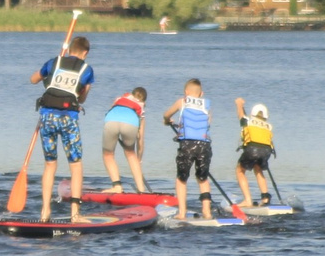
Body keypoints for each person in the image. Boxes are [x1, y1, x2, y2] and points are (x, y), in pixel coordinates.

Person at [27, 34, 94, 216]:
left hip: (47, 117)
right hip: (68, 119)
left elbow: (33, 80)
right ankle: (75, 213)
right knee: (76, 165)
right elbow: (82, 98)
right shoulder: (87, 69)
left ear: (70, 49)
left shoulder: (53, 62)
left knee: (50, 164)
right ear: (85, 53)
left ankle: (45, 211)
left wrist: (50, 78)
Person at [162, 79, 219, 221]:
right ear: (201, 94)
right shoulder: (207, 105)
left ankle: (182, 213)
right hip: (204, 145)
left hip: (187, 145)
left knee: (182, 179)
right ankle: (207, 212)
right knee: (203, 178)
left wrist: (167, 121)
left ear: (186, 92)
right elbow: (207, 123)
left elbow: (166, 115)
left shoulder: (182, 101)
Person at [101, 85, 150, 193]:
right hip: (130, 123)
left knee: (108, 155)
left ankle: (117, 186)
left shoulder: (119, 99)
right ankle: (141, 189)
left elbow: (113, 109)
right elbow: (140, 139)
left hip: (111, 121)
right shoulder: (141, 107)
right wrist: (139, 159)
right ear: (144, 100)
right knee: (131, 154)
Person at [232, 98, 278, 209]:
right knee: (258, 169)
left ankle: (247, 200)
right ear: (265, 116)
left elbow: (241, 115)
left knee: (240, 170)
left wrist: (239, 104)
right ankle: (265, 198)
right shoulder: (268, 126)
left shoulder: (248, 121)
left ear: (253, 114)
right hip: (266, 151)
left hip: (252, 149)